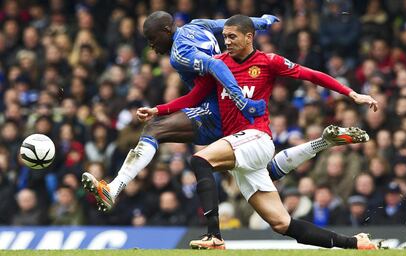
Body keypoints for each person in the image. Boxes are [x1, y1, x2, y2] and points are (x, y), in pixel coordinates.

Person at [137, 15, 378, 250]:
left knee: (200, 160)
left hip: (257, 137)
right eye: (225, 37)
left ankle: (214, 236)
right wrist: (158, 110)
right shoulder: (219, 64)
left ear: (249, 37)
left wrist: (352, 94)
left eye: (232, 37)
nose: (227, 41)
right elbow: (194, 97)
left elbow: (311, 75)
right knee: (282, 223)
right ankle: (356, 243)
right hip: (237, 146)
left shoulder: (268, 61)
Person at [81, 11, 279, 211]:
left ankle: (114, 189)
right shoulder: (197, 25)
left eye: (152, 38)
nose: (151, 45)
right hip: (219, 107)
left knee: (154, 130)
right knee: (278, 218)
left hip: (217, 113)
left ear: (166, 31)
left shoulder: (179, 53)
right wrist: (263, 22)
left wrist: (240, 99)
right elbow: (229, 24)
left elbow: (215, 64)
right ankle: (113, 189)